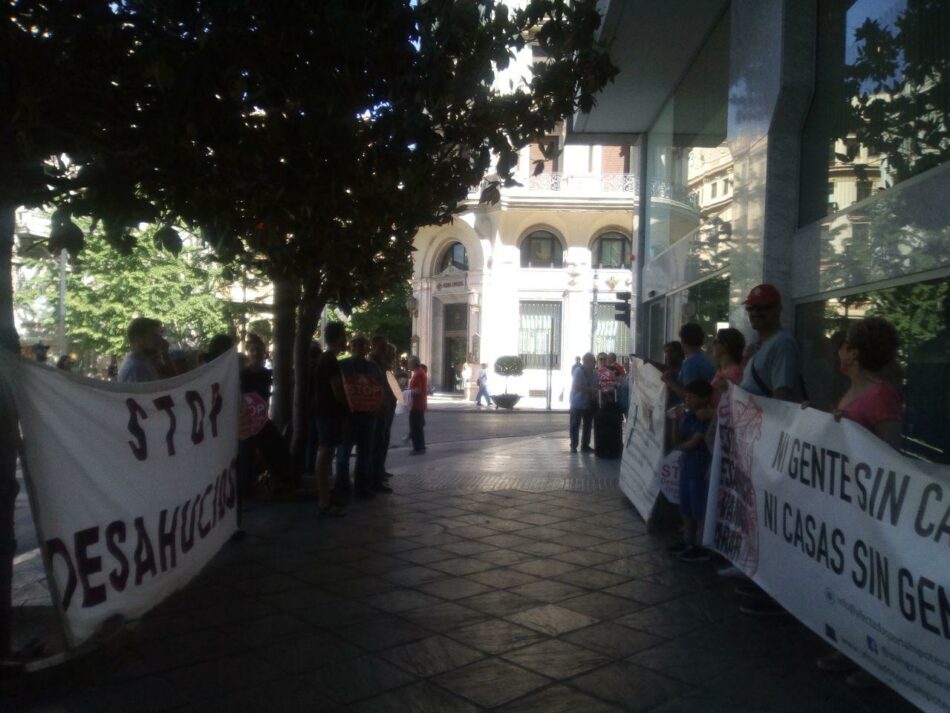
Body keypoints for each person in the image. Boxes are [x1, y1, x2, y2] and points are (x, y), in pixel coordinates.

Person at [809, 317, 901, 687]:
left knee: (869, 583)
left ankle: (873, 658)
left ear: (856, 353)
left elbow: (888, 454)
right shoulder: (852, 391)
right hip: (845, 501)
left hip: (867, 507)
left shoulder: (883, 395)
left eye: (844, 345)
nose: (839, 351)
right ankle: (850, 646)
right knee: (849, 577)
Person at [334, 334, 386, 500]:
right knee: (344, 454)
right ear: (351, 347)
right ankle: (342, 488)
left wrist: (378, 406)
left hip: (368, 416)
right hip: (349, 416)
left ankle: (361, 487)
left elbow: (380, 388)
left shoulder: (373, 368)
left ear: (367, 348)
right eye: (356, 345)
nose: (359, 348)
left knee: (365, 453)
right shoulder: (342, 366)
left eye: (363, 345)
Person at [667, 380, 714, 562]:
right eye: (687, 396)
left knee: (698, 506)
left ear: (704, 398)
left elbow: (692, 443)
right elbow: (676, 441)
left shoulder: (705, 418)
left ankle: (701, 544)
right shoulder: (688, 416)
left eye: (692, 396)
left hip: (699, 465)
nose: (688, 399)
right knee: (686, 505)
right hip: (687, 464)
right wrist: (674, 422)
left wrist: (680, 445)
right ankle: (688, 540)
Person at [739, 283, 803, 402]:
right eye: (750, 308)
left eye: (762, 308)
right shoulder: (760, 344)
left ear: (778, 309)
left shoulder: (783, 343)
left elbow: (782, 396)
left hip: (766, 418)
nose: (754, 313)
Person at [314, 322, 349, 516]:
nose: (346, 340)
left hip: (325, 413)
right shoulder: (330, 361)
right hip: (329, 414)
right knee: (326, 455)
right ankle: (324, 500)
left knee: (326, 455)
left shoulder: (326, 359)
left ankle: (326, 497)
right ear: (338, 338)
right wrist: (347, 406)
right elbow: (337, 389)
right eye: (344, 336)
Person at [662, 323, 715, 402]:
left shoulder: (691, 363)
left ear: (683, 342)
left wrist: (669, 381)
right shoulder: (705, 358)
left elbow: (688, 397)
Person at [118, 317, 164, 383]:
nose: (160, 340)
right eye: (154, 336)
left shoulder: (143, 363)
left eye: (160, 336)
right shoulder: (135, 369)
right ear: (137, 340)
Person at [569, 353, 598, 453]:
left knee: (588, 425)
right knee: (575, 424)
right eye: (593, 361)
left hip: (588, 403)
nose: (595, 363)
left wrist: (595, 393)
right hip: (577, 403)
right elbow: (576, 386)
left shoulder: (594, 373)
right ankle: (573, 445)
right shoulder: (578, 371)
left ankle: (585, 445)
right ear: (587, 361)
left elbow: (596, 387)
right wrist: (591, 391)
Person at [710, 327, 745, 408]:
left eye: (715, 342)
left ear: (725, 346)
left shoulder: (736, 373)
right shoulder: (721, 370)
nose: (712, 345)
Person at [407, 356, 428, 454]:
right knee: (417, 426)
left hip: (417, 404)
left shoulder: (419, 374)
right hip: (417, 404)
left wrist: (407, 392)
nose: (408, 364)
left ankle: (418, 448)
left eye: (409, 363)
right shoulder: (419, 372)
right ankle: (421, 447)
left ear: (414, 363)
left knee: (415, 427)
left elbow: (418, 390)